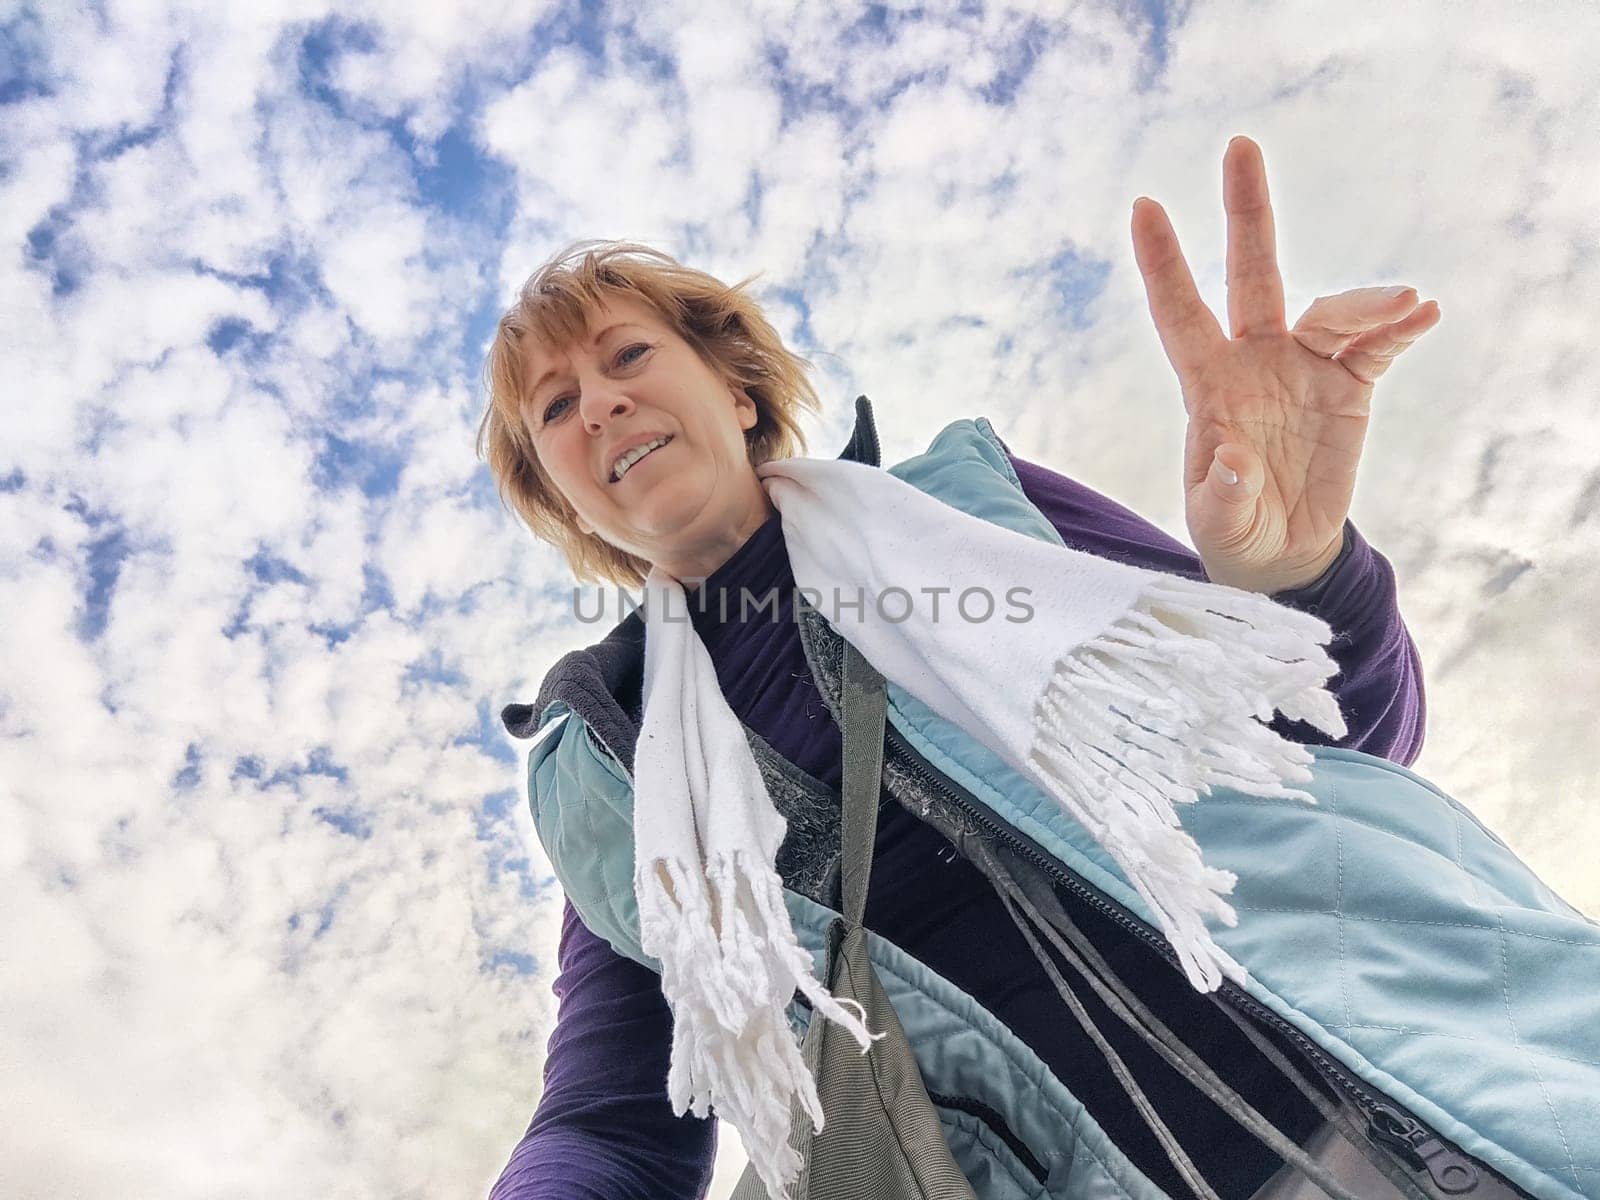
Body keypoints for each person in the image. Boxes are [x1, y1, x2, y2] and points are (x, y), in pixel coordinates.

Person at [476, 140, 1584, 1200]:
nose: (602, 404)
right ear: (560, 494)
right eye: (556, 408)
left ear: (736, 390)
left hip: (1453, 1089)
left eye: (626, 357)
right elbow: (614, 1122)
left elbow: (1339, 737)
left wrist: (1301, 576)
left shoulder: (974, 499)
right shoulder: (608, 778)